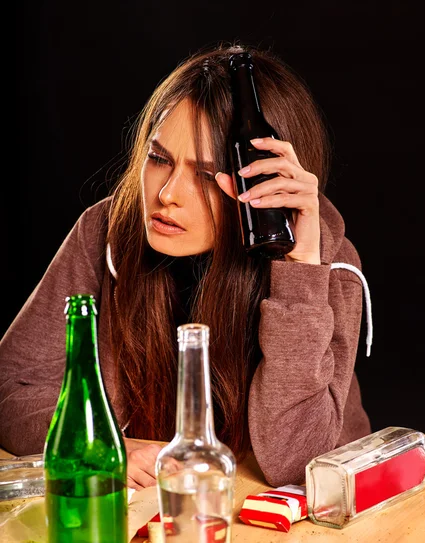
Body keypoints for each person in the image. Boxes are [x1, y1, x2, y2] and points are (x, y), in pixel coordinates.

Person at [0, 42, 372, 489]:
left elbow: (297, 466)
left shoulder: (324, 267)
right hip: (160, 509)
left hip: (296, 524)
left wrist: (299, 274)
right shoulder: (104, 231)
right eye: (158, 159)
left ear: (265, 181)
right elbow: (10, 388)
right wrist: (106, 444)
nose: (167, 194)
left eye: (203, 174)